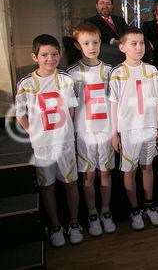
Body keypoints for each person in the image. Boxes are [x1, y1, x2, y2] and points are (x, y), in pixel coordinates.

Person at [15, 34, 83, 247]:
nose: (50, 59)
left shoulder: (65, 79)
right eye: (44, 55)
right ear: (35, 56)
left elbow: (72, 110)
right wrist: (33, 134)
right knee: (48, 187)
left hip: (64, 142)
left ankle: (73, 223)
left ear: (59, 55)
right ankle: (55, 226)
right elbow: (20, 114)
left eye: (54, 54)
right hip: (43, 145)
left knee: (71, 183)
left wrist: (66, 133)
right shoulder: (26, 83)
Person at [109, 27, 158, 231]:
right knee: (129, 170)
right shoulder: (117, 73)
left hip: (148, 127)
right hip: (129, 130)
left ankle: (149, 206)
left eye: (141, 43)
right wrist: (114, 132)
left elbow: (157, 100)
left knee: (147, 167)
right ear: (122, 47)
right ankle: (135, 210)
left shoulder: (151, 70)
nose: (139, 47)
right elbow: (113, 104)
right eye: (133, 43)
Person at [66, 22, 116, 237]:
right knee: (88, 175)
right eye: (86, 43)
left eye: (95, 42)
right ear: (78, 45)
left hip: (105, 130)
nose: (92, 46)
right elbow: (70, 108)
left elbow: (115, 103)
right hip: (84, 133)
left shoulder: (110, 71)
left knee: (105, 172)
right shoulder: (71, 73)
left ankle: (106, 211)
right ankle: (92, 213)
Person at [86, 0, 129, 66]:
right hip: (107, 51)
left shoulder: (119, 20)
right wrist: (113, 41)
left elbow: (128, 32)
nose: (105, 6)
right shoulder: (91, 21)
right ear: (97, 6)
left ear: (112, 6)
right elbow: (95, 37)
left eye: (108, 4)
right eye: (102, 3)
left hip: (125, 48)